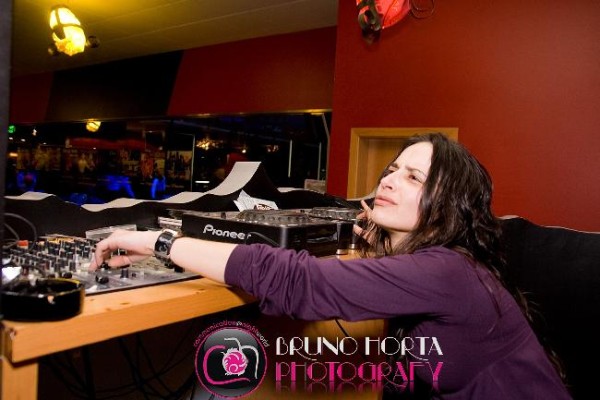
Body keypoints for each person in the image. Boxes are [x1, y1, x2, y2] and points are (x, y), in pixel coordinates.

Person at [90, 133, 571, 399]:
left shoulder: (448, 272)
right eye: (392, 170)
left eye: (414, 177)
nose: (389, 180)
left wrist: (160, 241)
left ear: (448, 204)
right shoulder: (446, 266)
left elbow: (298, 282)